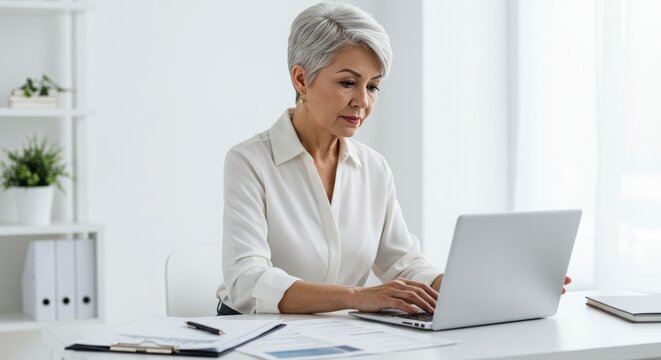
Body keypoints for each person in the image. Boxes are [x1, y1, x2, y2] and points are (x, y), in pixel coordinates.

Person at [216, 2, 570, 315]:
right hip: (257, 339)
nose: (363, 102)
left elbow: (402, 263)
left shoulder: (373, 168)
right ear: (301, 78)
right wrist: (359, 296)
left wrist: (481, 287)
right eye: (347, 83)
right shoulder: (250, 162)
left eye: (372, 86)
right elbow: (247, 280)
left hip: (339, 338)